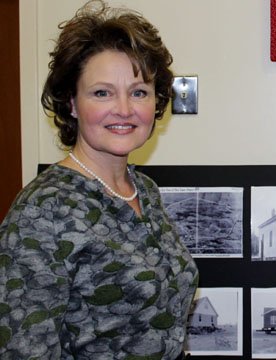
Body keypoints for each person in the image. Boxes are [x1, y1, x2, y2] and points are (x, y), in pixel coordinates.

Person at [0, 1, 198, 358]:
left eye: (138, 92)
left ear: (155, 103)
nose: (123, 109)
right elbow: (22, 350)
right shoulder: (43, 211)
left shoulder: (145, 191)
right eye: (102, 92)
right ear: (72, 104)